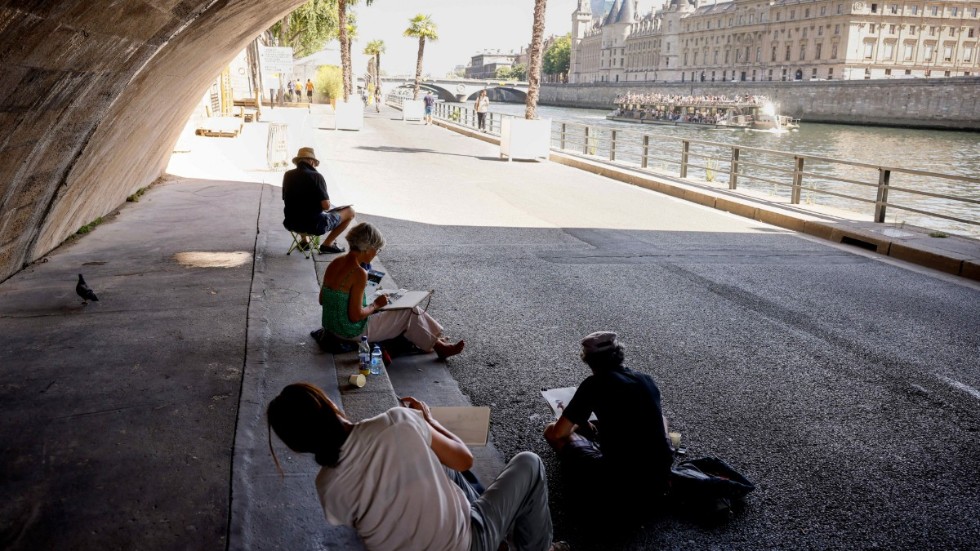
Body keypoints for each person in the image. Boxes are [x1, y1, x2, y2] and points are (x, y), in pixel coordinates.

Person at [267, 383, 568, 551]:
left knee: (438, 464)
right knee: (530, 462)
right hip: (466, 544)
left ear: (298, 445)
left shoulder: (325, 485)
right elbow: (465, 460)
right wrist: (429, 422)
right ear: (331, 405)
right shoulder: (396, 421)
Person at [543, 331, 675, 525]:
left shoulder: (594, 384)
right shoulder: (646, 379)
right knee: (660, 417)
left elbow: (559, 432)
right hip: (659, 477)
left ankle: (590, 484)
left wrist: (576, 423)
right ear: (619, 354)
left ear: (588, 360)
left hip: (620, 484)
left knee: (551, 430)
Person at [319, 221, 465, 360]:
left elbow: (322, 299)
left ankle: (435, 340)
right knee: (410, 311)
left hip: (331, 326)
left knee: (400, 311)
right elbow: (356, 316)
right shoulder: (358, 272)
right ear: (368, 249)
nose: (376, 254)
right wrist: (376, 304)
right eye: (377, 250)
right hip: (349, 331)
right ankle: (439, 347)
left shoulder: (335, 262)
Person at [282, 147, 354, 254]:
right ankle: (327, 244)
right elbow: (326, 206)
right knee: (350, 211)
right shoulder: (316, 176)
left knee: (300, 206)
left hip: (291, 223)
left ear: (298, 161)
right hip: (314, 226)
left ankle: (304, 241)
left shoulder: (288, 175)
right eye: (315, 164)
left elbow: (286, 199)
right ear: (312, 161)